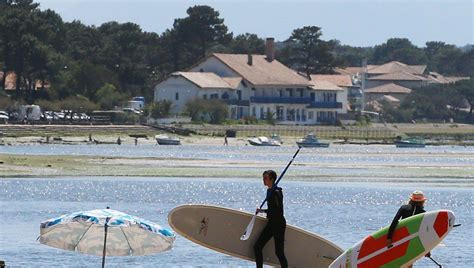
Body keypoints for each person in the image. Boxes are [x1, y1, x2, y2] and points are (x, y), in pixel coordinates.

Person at [253, 170, 288, 268]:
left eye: (266, 178)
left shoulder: (276, 192)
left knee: (279, 252)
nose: (263, 180)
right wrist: (263, 211)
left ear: (272, 179)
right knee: (257, 247)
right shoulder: (269, 190)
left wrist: (262, 211)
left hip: (278, 224)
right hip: (271, 223)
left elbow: (277, 211)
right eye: (263, 178)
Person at [387, 190, 430, 268]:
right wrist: (427, 250)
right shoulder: (423, 213)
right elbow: (424, 232)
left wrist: (389, 238)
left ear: (411, 199)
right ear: (423, 201)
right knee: (409, 263)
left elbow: (394, 222)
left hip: (401, 238)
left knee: (398, 261)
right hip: (413, 241)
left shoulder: (404, 208)